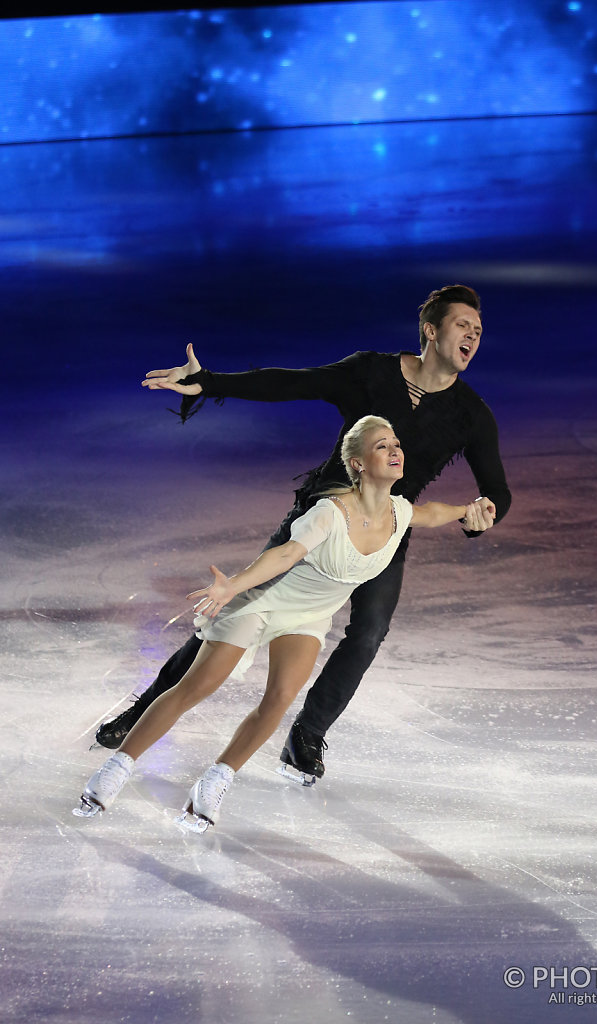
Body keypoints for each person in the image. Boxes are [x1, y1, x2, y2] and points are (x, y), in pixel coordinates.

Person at [94, 284, 511, 782]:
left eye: (478, 331)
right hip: (323, 516)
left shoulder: (471, 414)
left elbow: (497, 493)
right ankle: (142, 713)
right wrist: (208, 382)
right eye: (463, 325)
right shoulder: (371, 372)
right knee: (237, 607)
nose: (472, 336)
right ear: (431, 330)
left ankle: (306, 737)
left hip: (384, 531)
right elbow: (291, 383)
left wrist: (482, 514)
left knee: (369, 633)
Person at [74, 416, 489, 831]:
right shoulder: (330, 511)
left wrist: (467, 510)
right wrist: (233, 586)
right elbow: (286, 554)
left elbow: (431, 513)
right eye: (382, 446)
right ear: (359, 463)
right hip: (265, 604)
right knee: (194, 688)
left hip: (307, 618)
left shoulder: (399, 511)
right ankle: (114, 770)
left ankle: (214, 782)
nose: (395, 450)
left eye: (396, 443)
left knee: (279, 701)